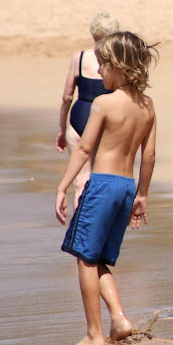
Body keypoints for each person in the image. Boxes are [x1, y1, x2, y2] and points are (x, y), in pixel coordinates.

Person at [54, 31, 157, 345]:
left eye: (103, 66)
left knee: (84, 258)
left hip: (101, 185)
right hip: (127, 187)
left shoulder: (103, 103)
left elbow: (84, 150)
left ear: (120, 67)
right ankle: (119, 320)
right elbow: (149, 156)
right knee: (99, 258)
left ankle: (94, 335)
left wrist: (61, 187)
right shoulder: (147, 105)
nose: (98, 72)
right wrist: (141, 196)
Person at [56, 12, 121, 207]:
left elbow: (67, 97)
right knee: (105, 179)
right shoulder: (118, 59)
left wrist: (61, 129)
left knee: (80, 182)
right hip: (106, 120)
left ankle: (79, 228)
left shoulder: (80, 57)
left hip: (79, 117)